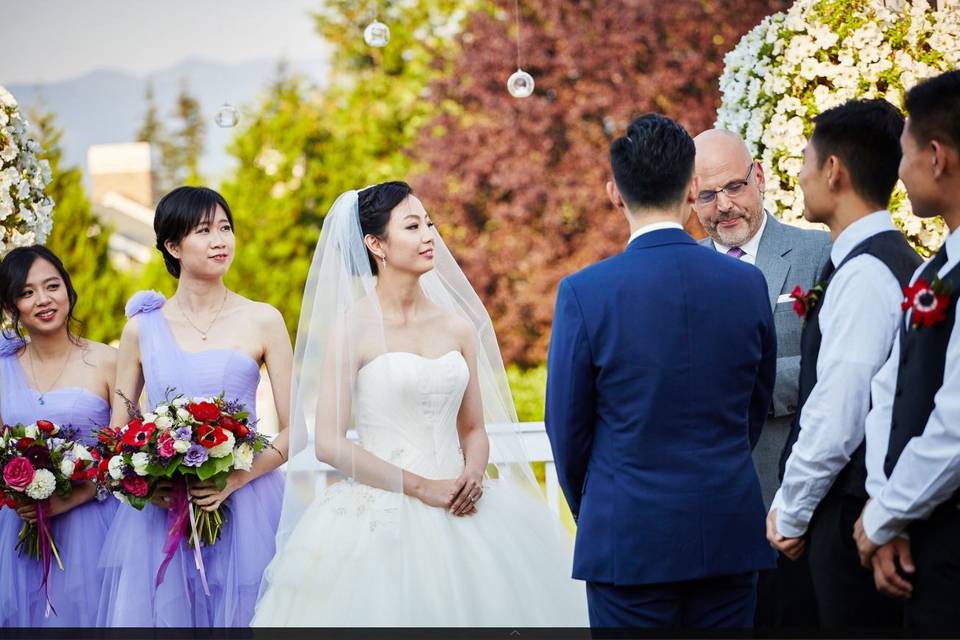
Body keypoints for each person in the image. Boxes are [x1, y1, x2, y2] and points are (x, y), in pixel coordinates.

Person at [252, 181, 587, 627]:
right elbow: (329, 443)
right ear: (376, 244)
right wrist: (421, 487)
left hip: (464, 504)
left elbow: (473, 430)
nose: (429, 236)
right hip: (383, 515)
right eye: (412, 226)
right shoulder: (351, 329)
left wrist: (472, 472)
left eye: (429, 223)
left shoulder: (458, 327)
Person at [545, 114, 776, 628]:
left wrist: (601, 504)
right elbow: (753, 407)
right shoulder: (746, 284)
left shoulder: (586, 293)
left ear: (614, 192)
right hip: (727, 529)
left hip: (627, 538)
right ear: (693, 188)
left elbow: (565, 427)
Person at [96, 186, 291, 627]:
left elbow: (296, 430)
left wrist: (237, 479)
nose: (220, 240)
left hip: (250, 505)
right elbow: (116, 434)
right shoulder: (141, 330)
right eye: (204, 230)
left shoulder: (263, 318)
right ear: (173, 245)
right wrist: (147, 485)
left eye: (225, 228)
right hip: (162, 517)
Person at [768, 99, 919, 628]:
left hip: (846, 518)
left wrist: (791, 509)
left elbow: (839, 411)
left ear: (833, 170)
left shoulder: (863, 274)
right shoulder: (893, 261)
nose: (801, 174)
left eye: (806, 160)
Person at [694, 128, 830, 629]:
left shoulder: (818, 253)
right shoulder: (684, 270)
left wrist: (744, 389)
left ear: (760, 177)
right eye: (707, 195)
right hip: (709, 520)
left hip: (793, 507)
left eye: (734, 187)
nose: (724, 206)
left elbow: (834, 369)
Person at [854, 70, 960, 629]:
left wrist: (884, 517)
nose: (899, 171)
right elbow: (887, 393)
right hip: (921, 540)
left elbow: (956, 423)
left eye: (905, 153)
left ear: (937, 157)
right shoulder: (931, 269)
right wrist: (886, 509)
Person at [0, 245, 116, 627]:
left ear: (68, 289)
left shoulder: (108, 361)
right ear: (11, 306)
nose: (43, 300)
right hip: (19, 528)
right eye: (27, 292)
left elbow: (127, 454)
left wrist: (76, 494)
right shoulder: (3, 369)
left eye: (52, 286)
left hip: (94, 527)